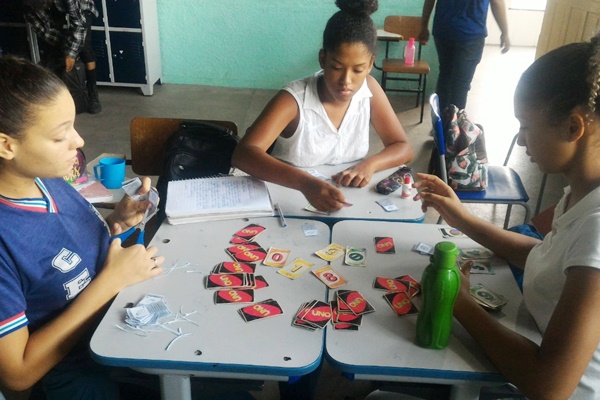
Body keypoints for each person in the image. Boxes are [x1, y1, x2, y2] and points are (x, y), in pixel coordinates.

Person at [413, 32, 600, 399]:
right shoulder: (580, 191)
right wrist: (461, 217)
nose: (522, 140)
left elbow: (551, 386)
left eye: (526, 125)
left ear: (573, 127)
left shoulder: (597, 229)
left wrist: (459, 302)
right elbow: (542, 255)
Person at [0, 56, 164, 399]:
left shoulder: (45, 177)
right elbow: (17, 375)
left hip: (113, 325)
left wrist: (115, 223)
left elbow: (57, 255)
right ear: (6, 145)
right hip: (71, 369)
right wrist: (112, 280)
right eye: (61, 136)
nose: (78, 142)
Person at [231, 0, 413, 213]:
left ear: (371, 64)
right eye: (336, 67)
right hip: (288, 203)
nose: (346, 80)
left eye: (358, 70)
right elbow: (243, 154)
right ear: (322, 59)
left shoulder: (369, 90)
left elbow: (402, 146)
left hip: (345, 204)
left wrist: (369, 165)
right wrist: (305, 183)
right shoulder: (293, 100)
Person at [418, 0, 510, 111]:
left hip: (443, 30)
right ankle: (454, 125)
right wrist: (504, 32)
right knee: (460, 84)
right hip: (470, 33)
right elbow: (497, 2)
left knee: (445, 77)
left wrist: (424, 26)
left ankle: (440, 124)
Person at [23, 0, 103, 114]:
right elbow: (45, 32)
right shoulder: (28, 8)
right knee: (55, 52)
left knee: (86, 50)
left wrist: (71, 53)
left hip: (81, 7)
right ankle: (61, 97)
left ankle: (92, 94)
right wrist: (64, 45)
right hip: (57, 9)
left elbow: (79, 24)